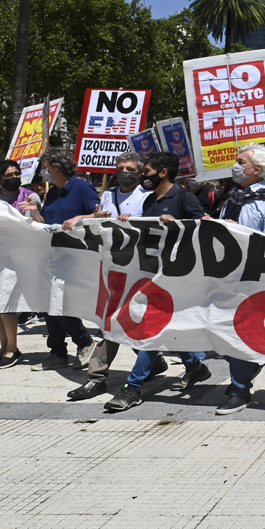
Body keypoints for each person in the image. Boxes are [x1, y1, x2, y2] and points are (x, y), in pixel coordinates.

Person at [103, 152, 211, 412]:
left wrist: (179, 224)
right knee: (166, 327)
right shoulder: (151, 199)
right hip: (155, 275)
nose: (142, 175)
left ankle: (132, 387)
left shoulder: (184, 197)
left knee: (152, 328)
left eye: (147, 171)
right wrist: (129, 224)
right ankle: (195, 367)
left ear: (163, 172)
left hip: (182, 277)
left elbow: (206, 226)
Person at [68, 152, 156, 401]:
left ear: (140, 172)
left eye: (130, 168)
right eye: (120, 167)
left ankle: (184, 363)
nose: (124, 171)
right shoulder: (108, 194)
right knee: (111, 320)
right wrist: (90, 218)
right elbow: (100, 225)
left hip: (141, 268)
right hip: (113, 267)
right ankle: (97, 378)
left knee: (135, 321)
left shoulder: (147, 196)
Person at [215, 143, 265, 415]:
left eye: (240, 161)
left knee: (240, 332)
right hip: (225, 273)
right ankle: (246, 369)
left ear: (256, 170)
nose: (235, 165)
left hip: (250, 277)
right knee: (221, 330)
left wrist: (240, 231)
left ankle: (239, 389)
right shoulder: (232, 196)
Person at [20, 149, 99, 371]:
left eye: (45, 166)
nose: (43, 172)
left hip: (76, 255)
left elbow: (101, 214)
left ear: (55, 166)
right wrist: (35, 212)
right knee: (48, 304)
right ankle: (57, 352)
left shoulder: (82, 187)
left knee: (61, 303)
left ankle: (84, 342)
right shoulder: (52, 193)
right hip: (51, 254)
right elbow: (48, 222)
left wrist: (79, 218)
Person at [0, 159, 43, 369]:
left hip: (16, 258)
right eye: (9, 176)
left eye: (17, 174)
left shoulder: (29, 196)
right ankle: (3, 349)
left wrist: (35, 211)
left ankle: (13, 349)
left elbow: (41, 226)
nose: (14, 178)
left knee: (6, 303)